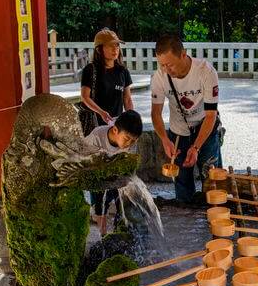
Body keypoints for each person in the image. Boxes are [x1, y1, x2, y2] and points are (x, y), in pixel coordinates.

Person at [150, 34, 222, 203]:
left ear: (183, 54)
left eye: (170, 64)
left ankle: (214, 218)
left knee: (212, 179)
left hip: (206, 127)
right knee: (181, 181)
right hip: (178, 132)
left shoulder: (206, 71)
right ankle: (186, 217)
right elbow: (155, 114)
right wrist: (164, 140)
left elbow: (211, 115)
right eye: (162, 65)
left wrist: (196, 147)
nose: (167, 70)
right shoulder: (159, 77)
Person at [82, 110, 143, 236]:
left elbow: (129, 166)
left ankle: (119, 231)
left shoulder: (130, 142)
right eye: (127, 139)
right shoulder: (96, 136)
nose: (129, 144)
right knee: (99, 204)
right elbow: (84, 159)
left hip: (118, 176)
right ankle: (102, 234)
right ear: (115, 130)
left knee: (123, 202)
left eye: (133, 141)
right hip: (98, 176)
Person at [80, 28, 135, 127]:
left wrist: (131, 118)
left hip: (116, 125)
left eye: (117, 45)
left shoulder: (123, 71)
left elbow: (127, 99)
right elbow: (85, 97)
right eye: (110, 46)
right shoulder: (90, 70)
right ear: (99, 49)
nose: (115, 49)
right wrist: (101, 113)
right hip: (95, 125)